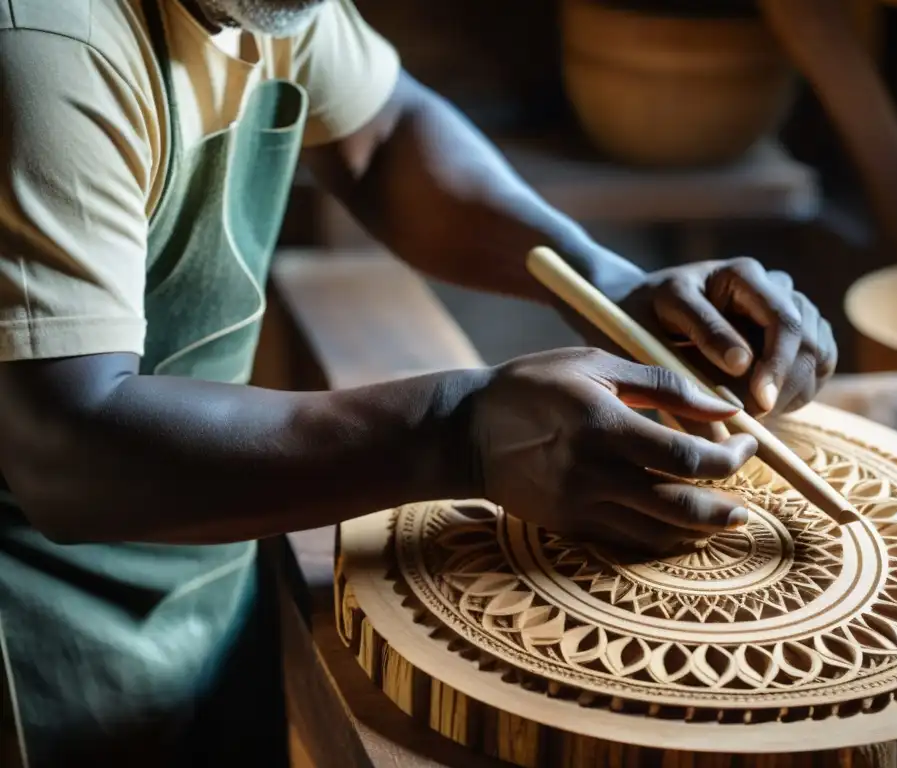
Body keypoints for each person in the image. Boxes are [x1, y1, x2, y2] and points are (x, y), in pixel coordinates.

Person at [0, 0, 837, 764]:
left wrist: (607, 284)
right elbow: (67, 449)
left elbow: (385, 134)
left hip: (203, 566)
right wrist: (455, 429)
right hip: (41, 639)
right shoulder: (47, 47)